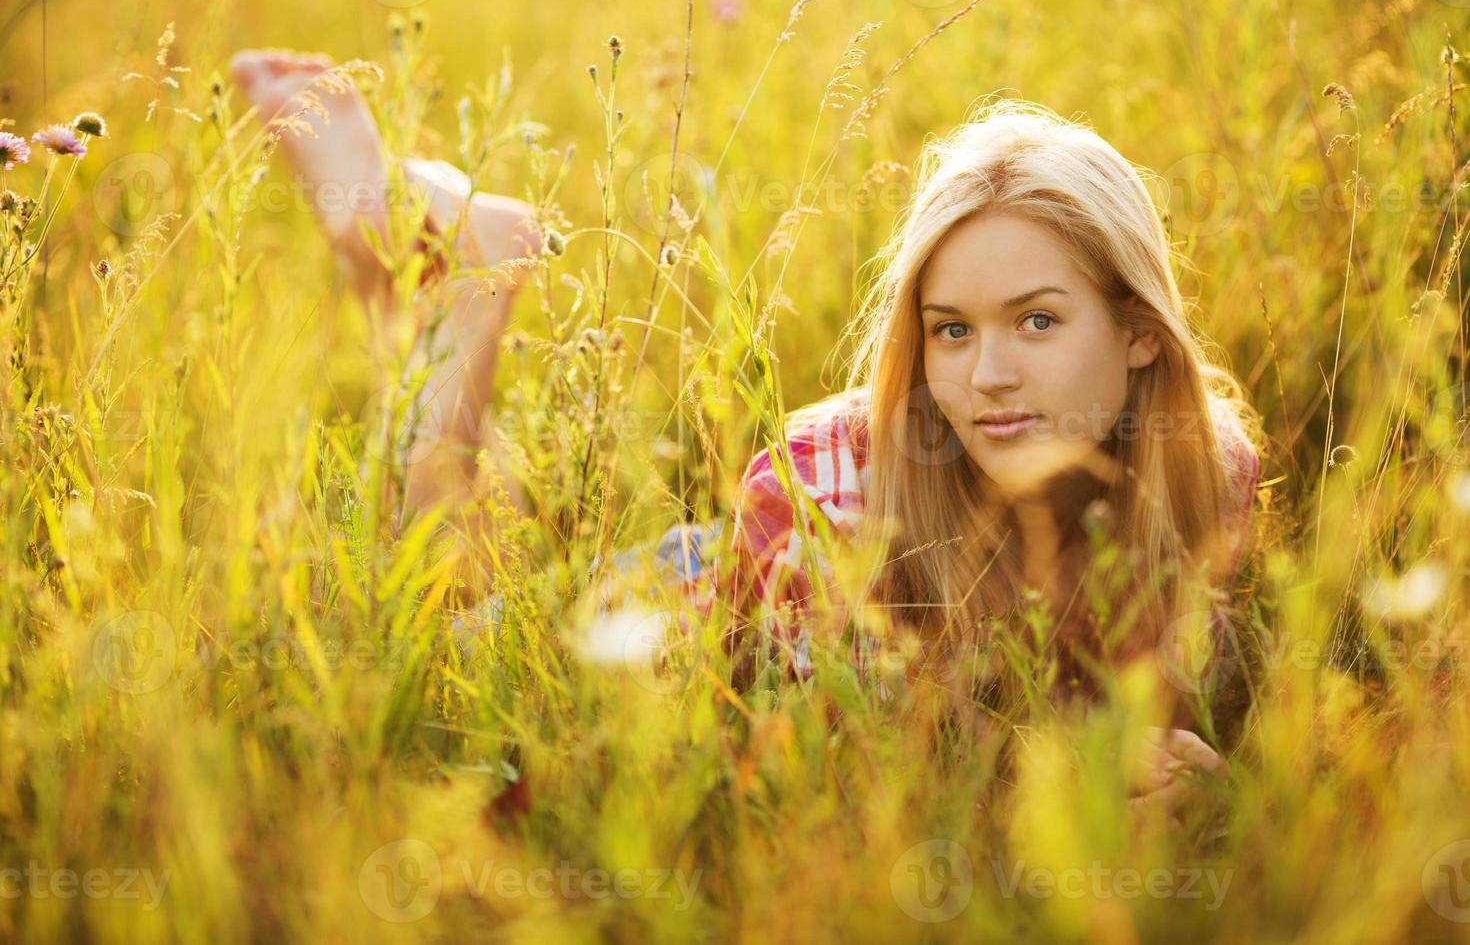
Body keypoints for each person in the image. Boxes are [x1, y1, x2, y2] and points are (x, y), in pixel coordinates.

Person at [230, 50, 1257, 811]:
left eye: (1037, 319)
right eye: (950, 329)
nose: (986, 376)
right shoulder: (822, 495)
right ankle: (460, 292)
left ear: (1135, 331)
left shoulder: (1210, 475)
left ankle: (417, 265)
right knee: (425, 641)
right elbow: (865, 795)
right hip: (673, 628)